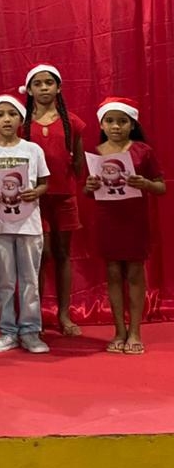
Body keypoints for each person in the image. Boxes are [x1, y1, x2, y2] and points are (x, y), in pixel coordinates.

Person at [84, 97, 165, 355]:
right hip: (107, 220)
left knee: (135, 273)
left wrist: (146, 184)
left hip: (134, 221)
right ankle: (119, 330)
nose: (116, 126)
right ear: (102, 124)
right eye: (110, 121)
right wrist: (89, 187)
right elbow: (89, 192)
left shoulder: (143, 151)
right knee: (113, 273)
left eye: (122, 121)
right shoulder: (96, 153)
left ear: (132, 124)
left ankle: (135, 331)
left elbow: (161, 186)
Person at [0, 95, 50, 354]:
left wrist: (35, 192)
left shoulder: (33, 150)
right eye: (0, 114)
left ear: (21, 119)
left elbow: (44, 182)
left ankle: (30, 331)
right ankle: (7, 331)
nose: (7, 119)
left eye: (12, 114)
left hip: (29, 224)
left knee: (30, 280)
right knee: (4, 280)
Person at [20, 64, 86, 337]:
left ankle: (64, 314)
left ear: (58, 87)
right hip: (35, 199)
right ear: (29, 90)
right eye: (38, 83)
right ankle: (34, 316)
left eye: (49, 82)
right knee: (40, 255)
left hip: (64, 197)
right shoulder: (22, 123)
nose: (44, 87)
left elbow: (80, 163)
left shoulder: (73, 122)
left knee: (62, 254)